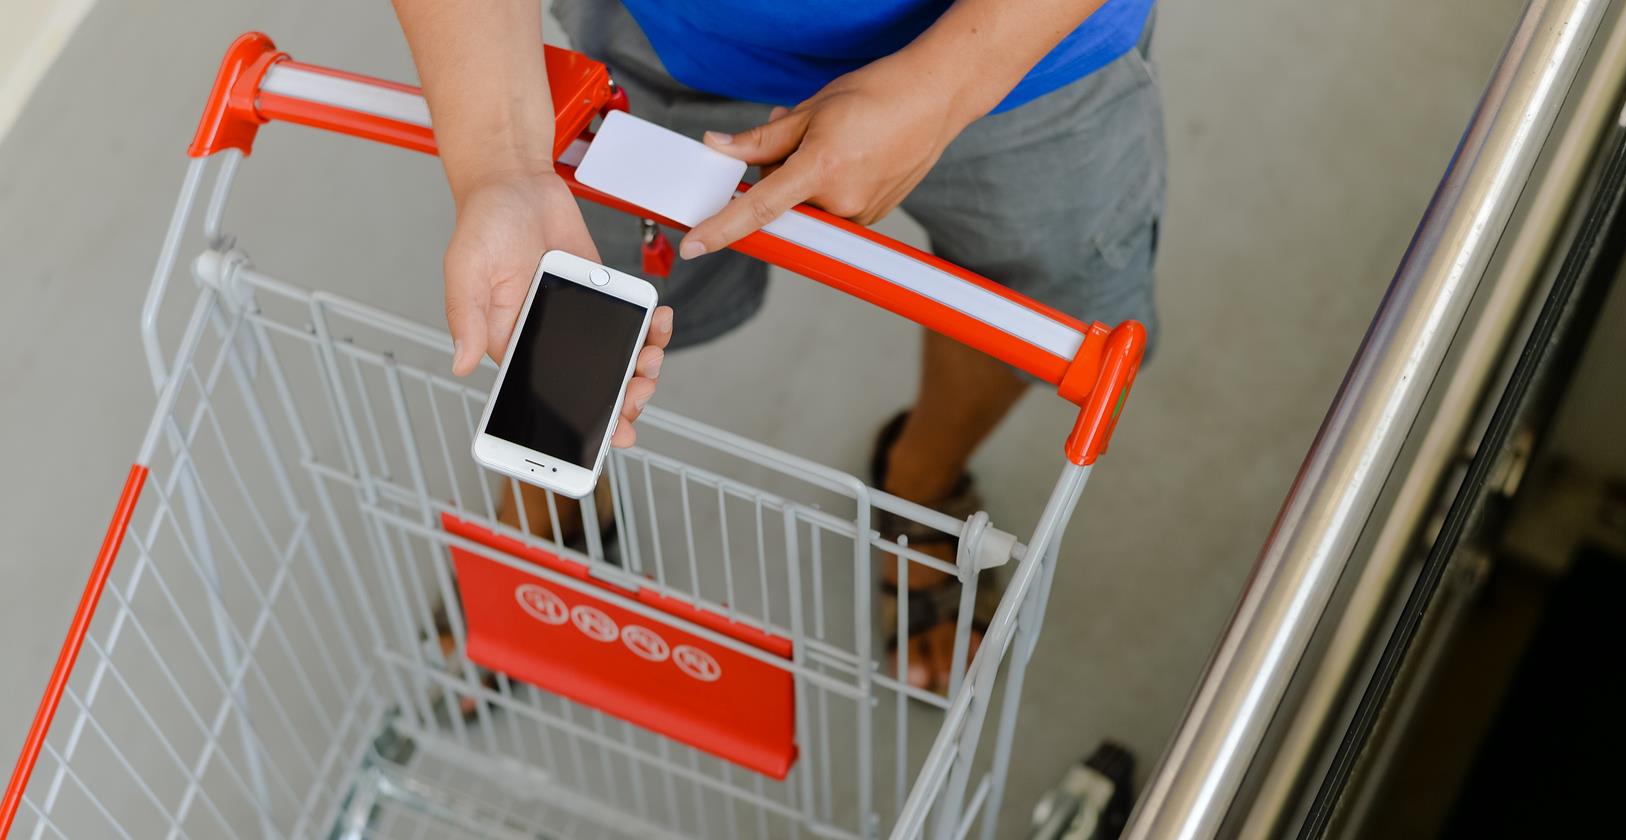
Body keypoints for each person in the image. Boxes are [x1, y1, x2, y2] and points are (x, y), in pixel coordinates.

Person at [393, 0, 1165, 694]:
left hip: (1028, 49)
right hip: (672, 33)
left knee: (1030, 312)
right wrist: (502, 168)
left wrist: (948, 83)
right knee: (585, 286)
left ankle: (919, 488)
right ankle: (547, 494)